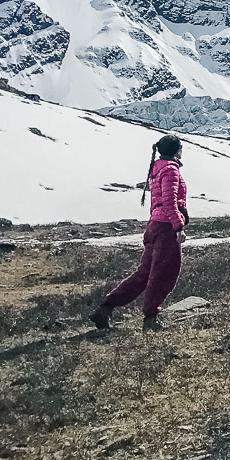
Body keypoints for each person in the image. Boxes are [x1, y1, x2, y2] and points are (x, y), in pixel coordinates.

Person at [90, 133, 188, 331]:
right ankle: (151, 318)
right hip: (166, 227)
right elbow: (169, 202)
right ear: (176, 150)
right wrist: (178, 226)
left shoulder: (158, 168)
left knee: (144, 273)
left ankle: (106, 307)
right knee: (164, 272)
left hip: (155, 225)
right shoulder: (171, 170)